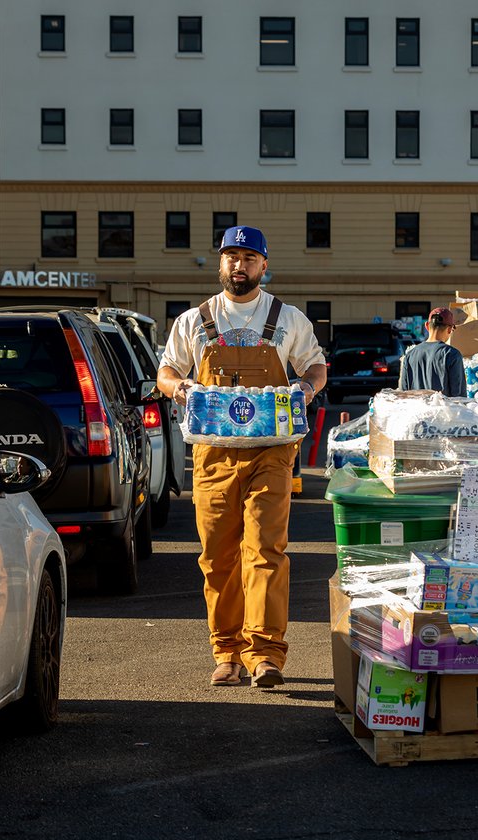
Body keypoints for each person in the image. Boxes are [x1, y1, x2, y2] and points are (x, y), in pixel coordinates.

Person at [158, 225, 326, 689]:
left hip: (272, 453)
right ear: (220, 263)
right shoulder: (194, 321)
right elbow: (167, 371)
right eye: (231, 256)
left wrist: (307, 389)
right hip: (212, 457)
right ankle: (227, 652)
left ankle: (266, 655)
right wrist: (180, 387)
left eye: (249, 257)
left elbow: (315, 365)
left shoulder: (288, 319)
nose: (239, 265)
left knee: (266, 552)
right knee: (217, 558)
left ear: (264, 265)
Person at [398, 306, 467, 397]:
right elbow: (459, 398)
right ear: (450, 329)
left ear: (427, 326)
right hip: (444, 411)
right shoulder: (451, 354)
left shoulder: (409, 355)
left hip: (416, 411)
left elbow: (403, 394)